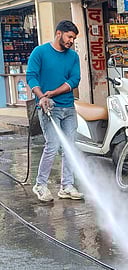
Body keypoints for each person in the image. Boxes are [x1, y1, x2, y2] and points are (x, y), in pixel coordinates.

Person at [26, 20, 84, 202]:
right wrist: (42, 96)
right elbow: (31, 76)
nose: (71, 41)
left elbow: (75, 79)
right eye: (69, 37)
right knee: (52, 145)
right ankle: (40, 185)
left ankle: (66, 186)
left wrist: (54, 92)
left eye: (73, 38)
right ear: (59, 33)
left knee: (70, 147)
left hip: (68, 107)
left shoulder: (73, 56)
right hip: (48, 107)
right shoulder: (40, 52)